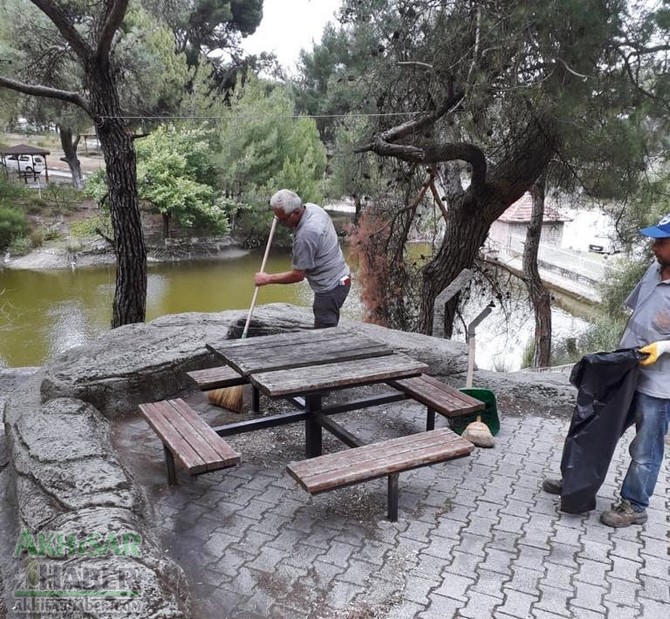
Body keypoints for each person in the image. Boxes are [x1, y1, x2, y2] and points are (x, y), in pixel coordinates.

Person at [542, 213, 670, 527]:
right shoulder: (654, 271)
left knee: (645, 447)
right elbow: (636, 315)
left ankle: (634, 505)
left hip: (660, 384)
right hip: (626, 370)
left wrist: (665, 347)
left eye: (661, 242)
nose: (653, 247)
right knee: (596, 429)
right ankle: (577, 482)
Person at [254, 189, 351, 328]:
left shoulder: (306, 235)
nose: (280, 222)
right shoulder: (312, 208)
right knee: (324, 321)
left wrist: (267, 279)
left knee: (323, 333)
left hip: (331, 287)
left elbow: (298, 275)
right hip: (341, 277)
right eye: (277, 218)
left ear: (296, 212)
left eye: (283, 219)